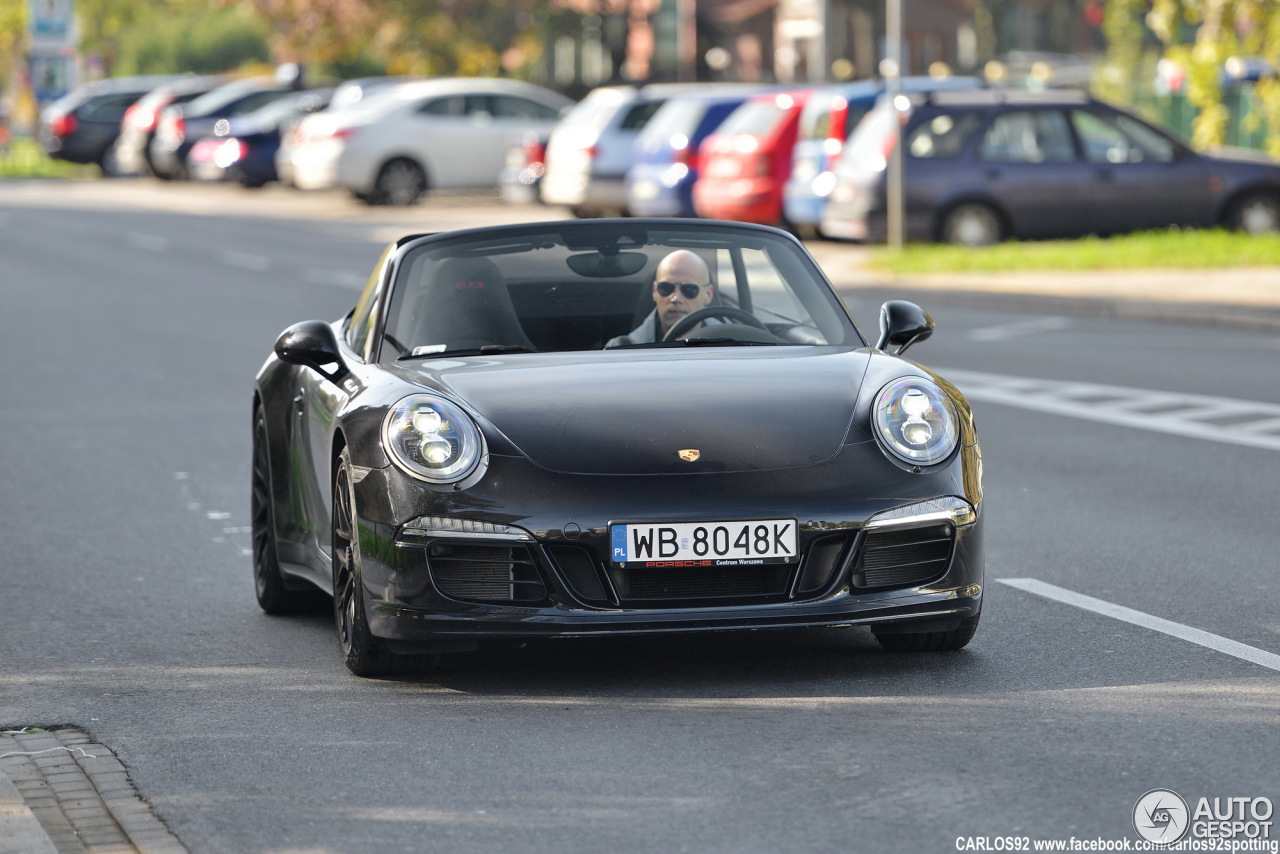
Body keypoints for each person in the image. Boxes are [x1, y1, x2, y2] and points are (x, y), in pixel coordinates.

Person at [609, 249, 717, 345]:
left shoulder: (732, 346)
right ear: (655, 291)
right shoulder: (621, 351)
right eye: (666, 288)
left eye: (688, 290)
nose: (676, 298)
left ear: (708, 294)